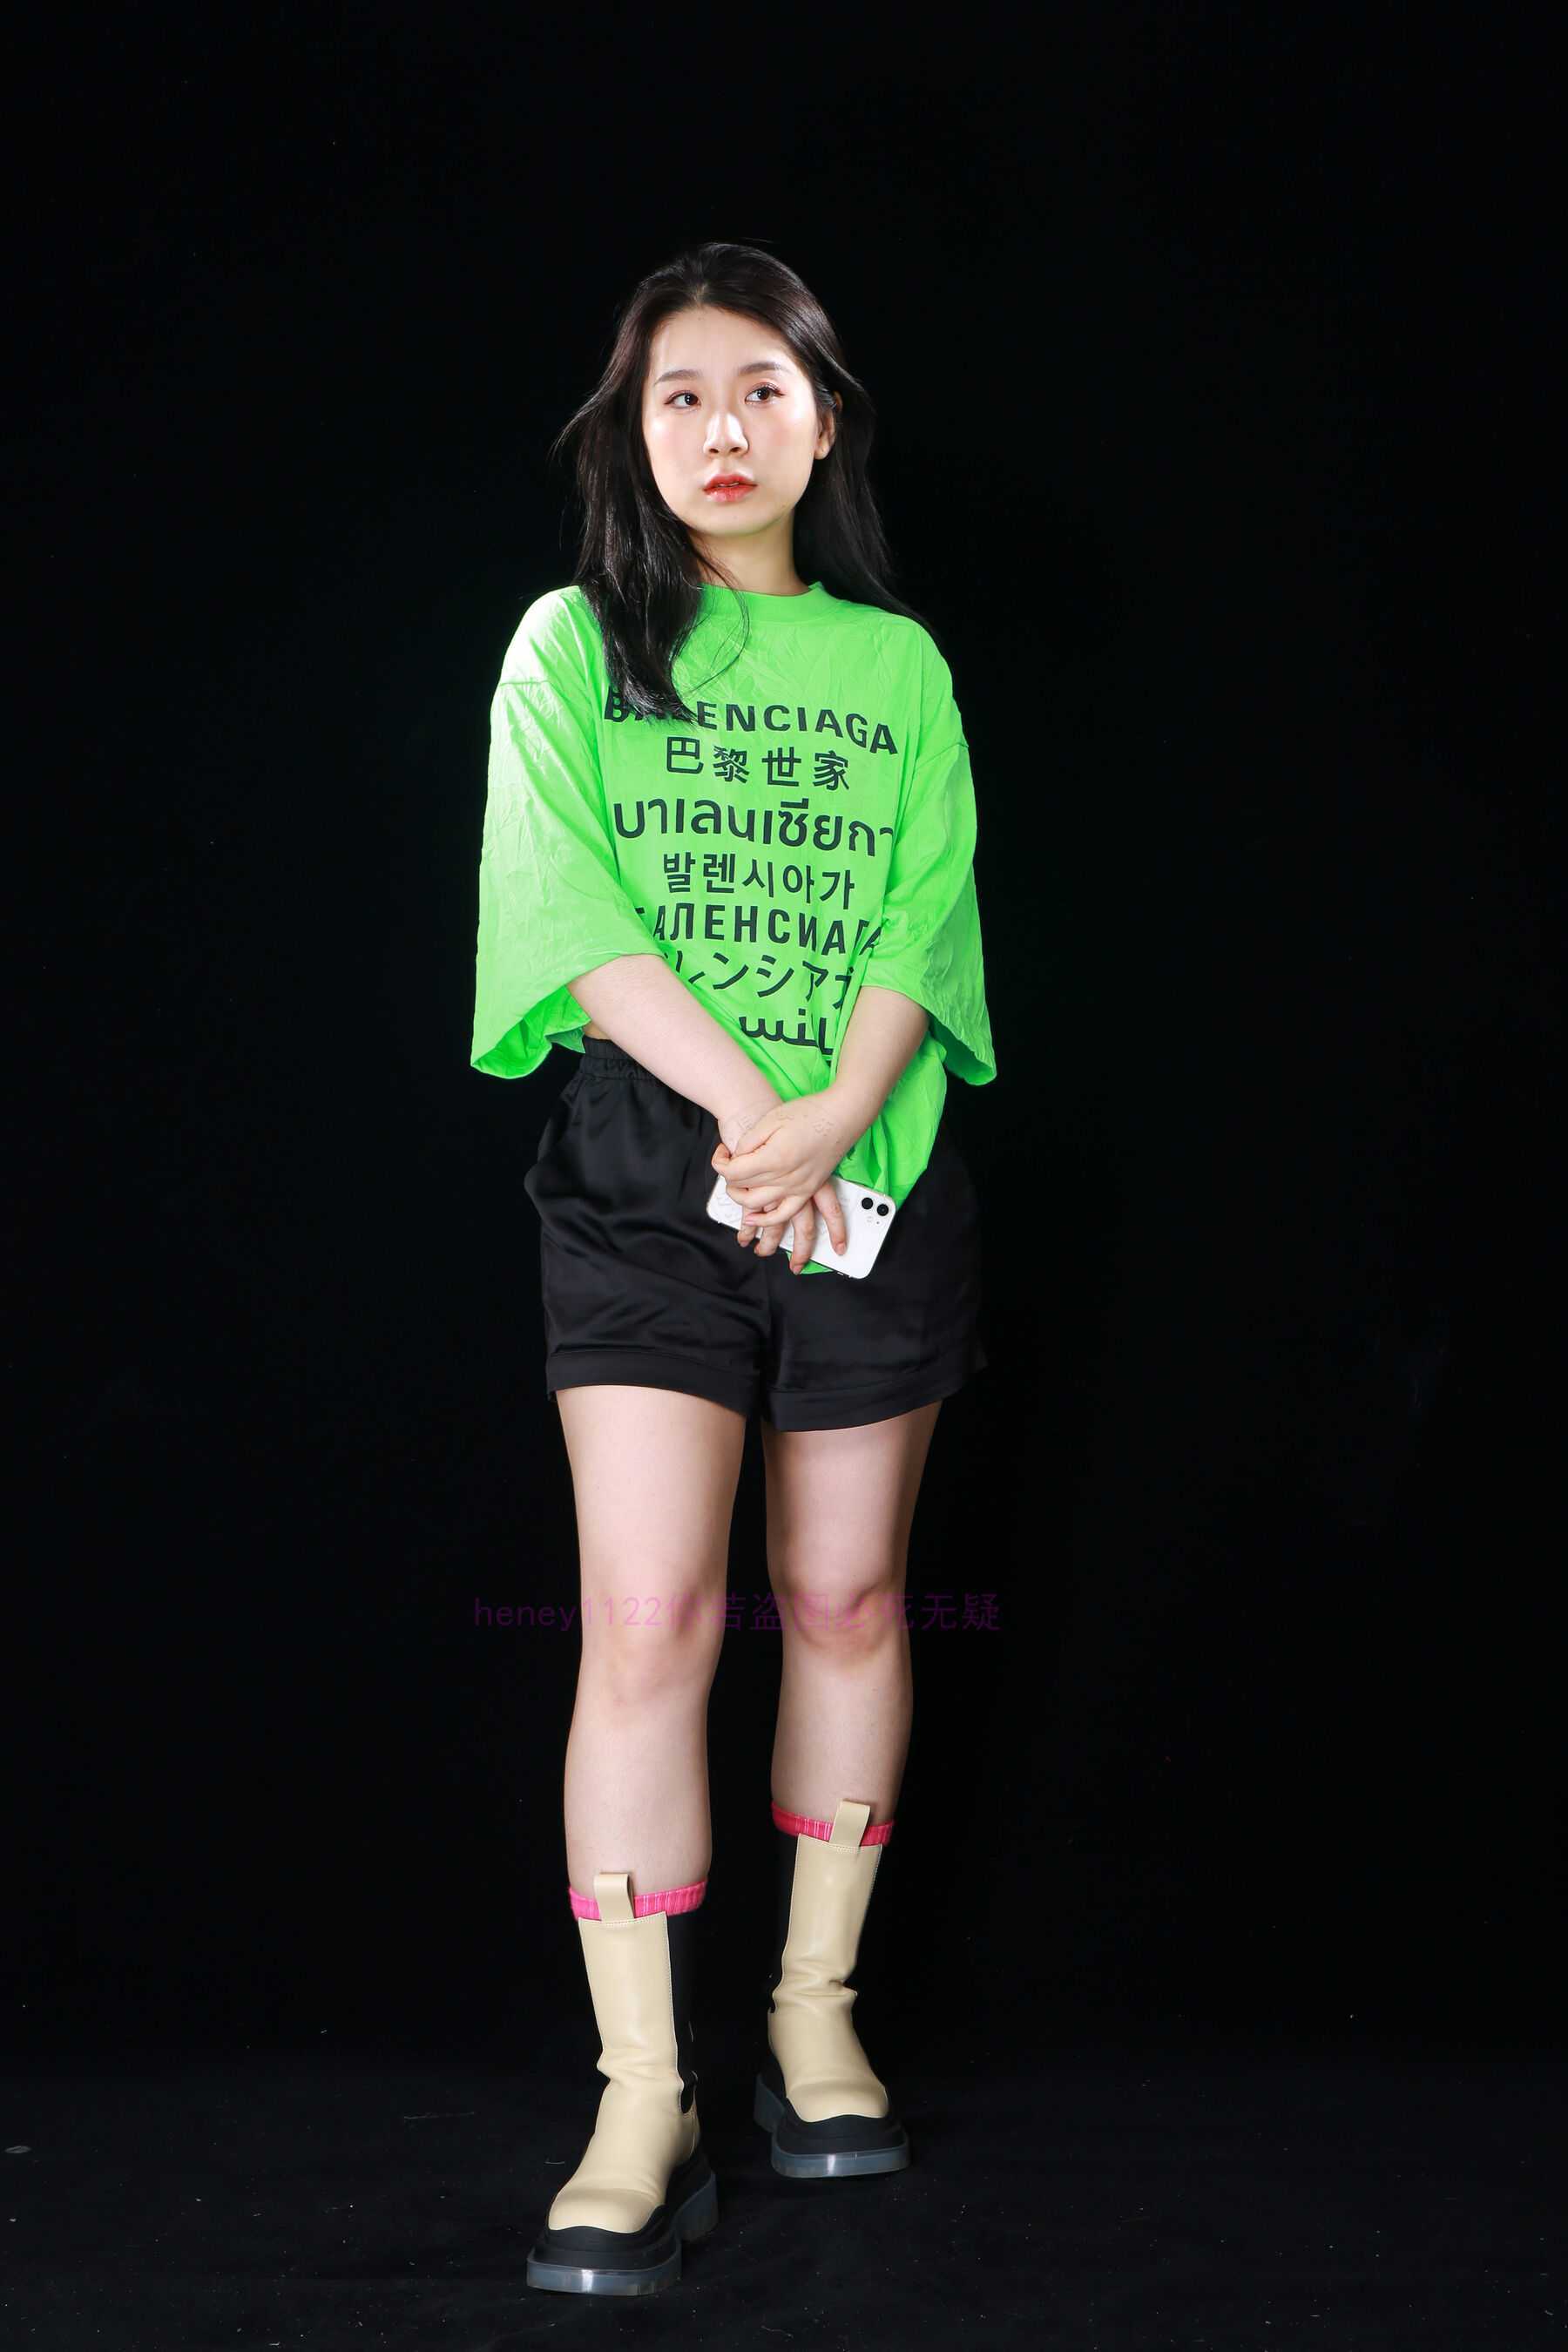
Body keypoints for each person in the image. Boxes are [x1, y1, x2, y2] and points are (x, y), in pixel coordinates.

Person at [470, 241, 997, 2298]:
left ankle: (810, 2019)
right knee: (649, 1616)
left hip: (873, 1170)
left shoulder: (899, 667)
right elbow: (570, 918)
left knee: (847, 1598)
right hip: (647, 1177)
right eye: (679, 393)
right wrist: (752, 1120)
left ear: (823, 425)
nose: (720, 428)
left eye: (762, 390)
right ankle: (643, 2097)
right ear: (634, 428)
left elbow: (923, 923)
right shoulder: (568, 648)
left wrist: (831, 1119)